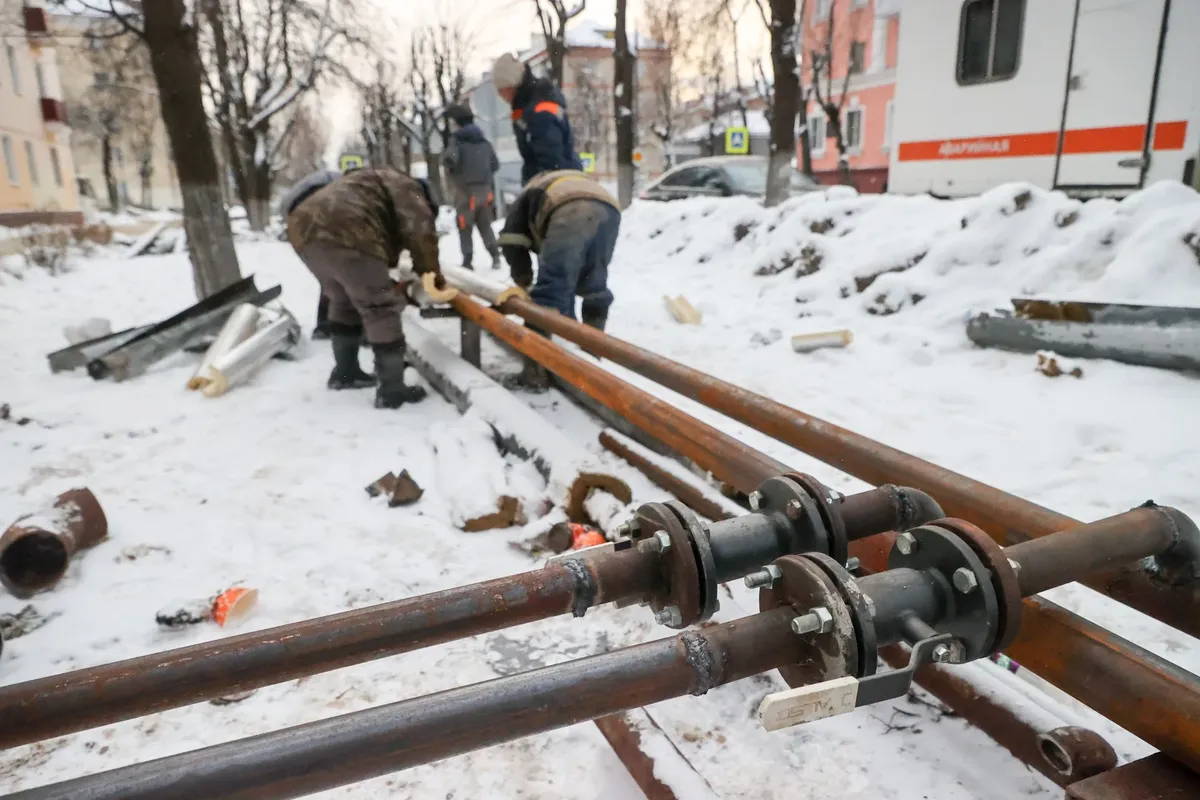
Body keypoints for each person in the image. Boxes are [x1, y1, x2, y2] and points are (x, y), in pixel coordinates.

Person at [286, 167, 442, 409]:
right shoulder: (410, 190)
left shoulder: (372, 183)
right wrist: (431, 275)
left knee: (343, 299)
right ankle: (392, 390)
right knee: (380, 307)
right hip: (345, 228)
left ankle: (346, 372)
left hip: (302, 229)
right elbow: (421, 233)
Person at [491, 53, 583, 184]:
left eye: (501, 90)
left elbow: (551, 161)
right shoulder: (526, 106)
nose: (500, 96)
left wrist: (537, 189)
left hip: (558, 181)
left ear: (511, 86)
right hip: (564, 175)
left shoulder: (539, 111)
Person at [280, 167, 344, 340]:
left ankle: (325, 326)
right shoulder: (341, 192)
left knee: (329, 278)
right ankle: (342, 327)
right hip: (310, 232)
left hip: (300, 233)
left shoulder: (310, 190)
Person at [443, 105, 501, 270]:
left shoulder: (457, 140)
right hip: (485, 192)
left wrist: (451, 165)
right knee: (485, 224)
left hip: (466, 192)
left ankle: (468, 261)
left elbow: (450, 159)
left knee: (464, 225)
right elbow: (495, 165)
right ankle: (495, 256)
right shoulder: (484, 142)